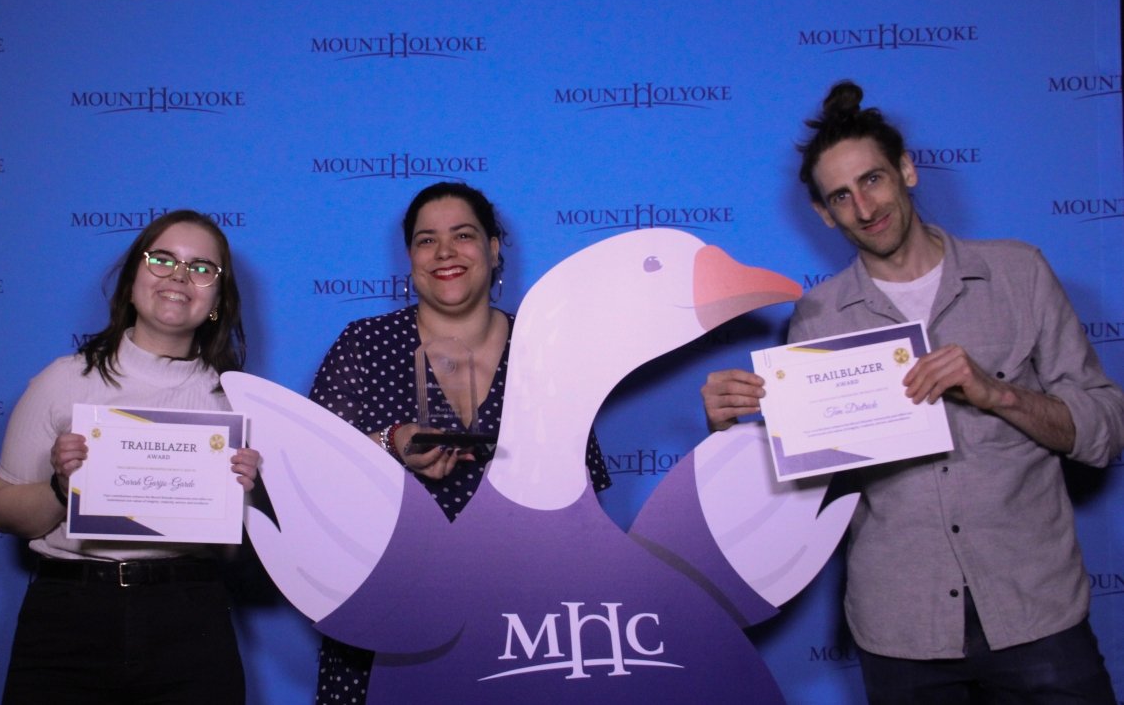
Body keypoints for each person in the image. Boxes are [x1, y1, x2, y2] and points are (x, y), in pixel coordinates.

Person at [702, 81, 1124, 704]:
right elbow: (805, 492)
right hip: (903, 631)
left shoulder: (1018, 272)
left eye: (873, 180)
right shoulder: (818, 319)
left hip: (1037, 613)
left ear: (906, 170)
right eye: (841, 196)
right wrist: (727, 432)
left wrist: (996, 394)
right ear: (824, 213)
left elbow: (1106, 430)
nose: (864, 208)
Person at [309, 181, 611, 704]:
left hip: (524, 625)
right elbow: (311, 475)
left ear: (495, 249)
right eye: (427, 240)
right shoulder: (364, 345)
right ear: (410, 258)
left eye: (464, 235)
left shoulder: (546, 354)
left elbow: (587, 507)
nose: (445, 252)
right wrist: (389, 442)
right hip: (389, 615)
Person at [0, 209, 260, 705]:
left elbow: (239, 554)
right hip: (68, 615)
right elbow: (2, 510)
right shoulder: (63, 379)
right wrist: (59, 487)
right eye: (162, 260)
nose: (179, 276)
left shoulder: (235, 404)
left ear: (217, 299)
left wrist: (244, 504)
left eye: (202, 268)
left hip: (188, 615)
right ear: (134, 276)